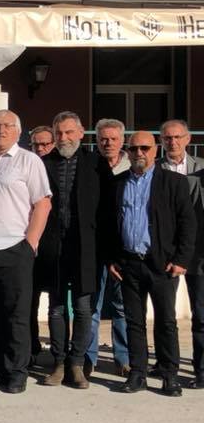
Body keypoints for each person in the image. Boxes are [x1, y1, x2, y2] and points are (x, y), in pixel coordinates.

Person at [0, 111, 51, 394]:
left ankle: (16, 372)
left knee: (15, 315)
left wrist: (30, 244)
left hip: (14, 248)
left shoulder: (29, 161)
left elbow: (42, 204)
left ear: (17, 130)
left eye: (5, 126)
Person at [110, 131, 195, 397]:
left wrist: (181, 260)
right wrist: (112, 258)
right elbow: (110, 225)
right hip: (129, 264)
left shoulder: (174, 182)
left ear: (155, 150)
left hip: (162, 265)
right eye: (134, 149)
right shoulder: (119, 183)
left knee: (166, 322)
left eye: (145, 148)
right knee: (134, 322)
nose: (139, 154)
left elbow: (188, 224)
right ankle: (138, 374)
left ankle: (169, 376)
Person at [38, 111, 105, 389]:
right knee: (55, 308)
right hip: (53, 246)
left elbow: (107, 210)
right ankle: (59, 362)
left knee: (83, 307)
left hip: (85, 248)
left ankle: (77, 364)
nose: (63, 138)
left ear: (80, 133)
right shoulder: (42, 163)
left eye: (68, 132)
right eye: (59, 133)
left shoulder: (96, 163)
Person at [158, 119, 204, 389]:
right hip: (164, 253)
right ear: (161, 141)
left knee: (201, 313)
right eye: (167, 138)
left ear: (188, 140)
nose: (172, 142)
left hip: (197, 254)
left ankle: (201, 369)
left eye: (177, 137)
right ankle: (166, 365)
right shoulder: (155, 169)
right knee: (165, 314)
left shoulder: (201, 169)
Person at [86, 118, 130, 376]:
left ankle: (122, 357)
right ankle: (88, 358)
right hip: (94, 248)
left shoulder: (132, 166)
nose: (108, 143)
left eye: (113, 138)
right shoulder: (89, 166)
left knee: (122, 306)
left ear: (122, 140)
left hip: (123, 249)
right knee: (92, 305)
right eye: (103, 138)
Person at [27, 125, 56, 356]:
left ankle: (59, 353)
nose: (41, 148)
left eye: (46, 144)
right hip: (28, 245)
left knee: (56, 305)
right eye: (36, 144)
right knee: (29, 302)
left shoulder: (58, 168)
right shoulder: (27, 166)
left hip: (53, 245)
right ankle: (32, 346)